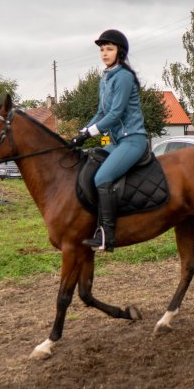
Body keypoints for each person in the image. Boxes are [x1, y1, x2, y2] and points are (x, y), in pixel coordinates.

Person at [69, 29, 147, 252]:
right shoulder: (105, 78)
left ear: (119, 52)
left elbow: (115, 114)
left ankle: (107, 235)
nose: (104, 53)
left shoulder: (123, 77)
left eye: (109, 49)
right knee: (90, 164)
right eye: (102, 49)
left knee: (102, 177)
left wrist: (90, 133)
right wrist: (81, 132)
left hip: (132, 140)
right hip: (116, 143)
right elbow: (101, 113)